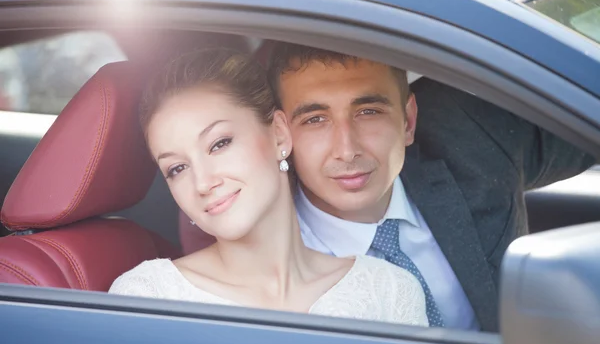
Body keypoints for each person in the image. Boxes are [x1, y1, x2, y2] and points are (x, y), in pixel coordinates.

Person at [262, 42, 596, 332]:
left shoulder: (469, 136)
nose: (347, 150)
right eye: (315, 120)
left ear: (408, 120)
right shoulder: (263, 250)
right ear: (281, 134)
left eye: (368, 111)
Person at [109, 48, 429, 327]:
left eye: (219, 144)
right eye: (177, 168)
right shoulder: (149, 297)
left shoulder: (388, 290)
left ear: (279, 134)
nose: (203, 183)